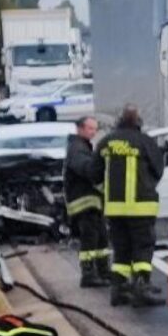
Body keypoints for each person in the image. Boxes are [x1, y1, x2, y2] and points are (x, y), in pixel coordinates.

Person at [92, 105, 166, 307]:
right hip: (141, 207)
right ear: (138, 122)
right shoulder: (145, 141)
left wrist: (108, 191)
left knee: (121, 249)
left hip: (115, 209)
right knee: (143, 247)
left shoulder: (105, 142)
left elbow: (94, 174)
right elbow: (159, 169)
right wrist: (147, 185)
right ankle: (141, 287)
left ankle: (119, 289)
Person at [65, 116, 111, 288]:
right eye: (90, 128)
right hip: (84, 202)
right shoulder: (77, 148)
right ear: (80, 129)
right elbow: (85, 168)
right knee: (90, 239)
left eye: (95, 129)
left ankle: (103, 271)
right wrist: (97, 168)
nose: (93, 132)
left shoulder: (83, 146)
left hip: (91, 201)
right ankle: (88, 274)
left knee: (101, 239)